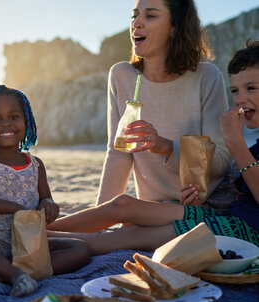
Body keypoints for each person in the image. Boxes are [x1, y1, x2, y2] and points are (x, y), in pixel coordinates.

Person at [48, 39, 259, 255]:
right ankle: (38, 231)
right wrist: (194, 202)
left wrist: (234, 140)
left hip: (246, 230)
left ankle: (41, 242)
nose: (240, 99)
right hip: (223, 215)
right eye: (234, 91)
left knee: (129, 237)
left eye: (251, 88)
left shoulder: (242, 144)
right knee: (123, 204)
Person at [0, 85, 91, 297]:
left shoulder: (36, 165)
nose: (6, 123)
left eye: (14, 116)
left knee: (81, 250)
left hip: (29, 242)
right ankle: (14, 273)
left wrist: (49, 207)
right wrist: (14, 208)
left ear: (27, 121)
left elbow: (46, 198)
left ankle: (11, 270)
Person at [96, 0, 233, 206]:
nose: (136, 24)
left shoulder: (207, 77)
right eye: (135, 15)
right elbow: (118, 155)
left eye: (150, 15)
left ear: (175, 27)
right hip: (152, 210)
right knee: (97, 230)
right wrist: (100, 216)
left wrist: (166, 147)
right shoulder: (121, 75)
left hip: (204, 206)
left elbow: (222, 161)